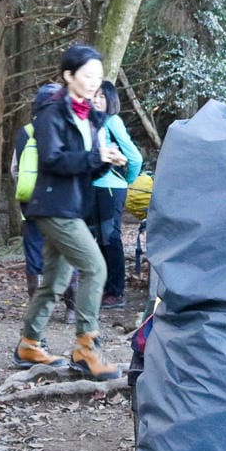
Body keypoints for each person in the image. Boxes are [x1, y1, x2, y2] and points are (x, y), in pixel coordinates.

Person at [13, 44, 128, 380]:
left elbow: (83, 169)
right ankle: (86, 349)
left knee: (55, 282)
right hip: (53, 207)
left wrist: (106, 158)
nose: (94, 82)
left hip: (72, 206)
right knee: (95, 268)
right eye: (87, 75)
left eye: (98, 76)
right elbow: (52, 160)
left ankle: (29, 344)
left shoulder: (89, 118)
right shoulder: (53, 114)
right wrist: (96, 158)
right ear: (68, 76)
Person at [90, 81, 143, 310]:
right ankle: (104, 289)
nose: (96, 101)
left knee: (110, 239)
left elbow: (135, 157)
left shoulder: (113, 121)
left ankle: (116, 292)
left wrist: (126, 180)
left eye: (101, 97)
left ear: (111, 99)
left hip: (111, 188)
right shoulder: (91, 123)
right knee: (98, 241)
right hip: (92, 187)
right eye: (93, 96)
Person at [10, 83, 63, 298]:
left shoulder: (25, 132)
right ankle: (70, 306)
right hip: (61, 201)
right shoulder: (66, 130)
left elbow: (15, 169)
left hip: (30, 200)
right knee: (65, 250)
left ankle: (37, 302)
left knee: (34, 250)